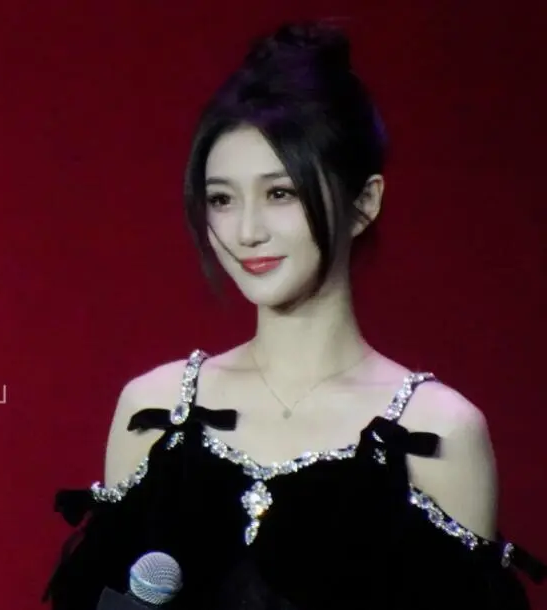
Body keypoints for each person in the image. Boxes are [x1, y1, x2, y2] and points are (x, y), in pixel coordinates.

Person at [42, 20, 545, 610]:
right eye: (222, 199)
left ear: (365, 201)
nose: (246, 231)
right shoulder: (153, 411)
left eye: (280, 193)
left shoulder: (438, 432)